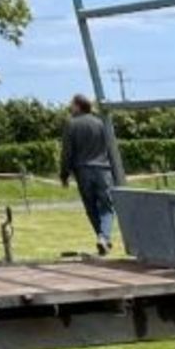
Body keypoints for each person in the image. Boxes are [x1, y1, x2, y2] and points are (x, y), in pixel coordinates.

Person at [59, 94, 116, 256]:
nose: (70, 107)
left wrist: (64, 174)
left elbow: (67, 152)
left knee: (91, 207)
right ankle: (103, 237)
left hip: (82, 171)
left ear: (78, 106)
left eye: (72, 104)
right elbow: (111, 148)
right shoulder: (100, 123)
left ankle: (101, 236)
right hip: (103, 170)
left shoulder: (71, 124)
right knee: (107, 207)